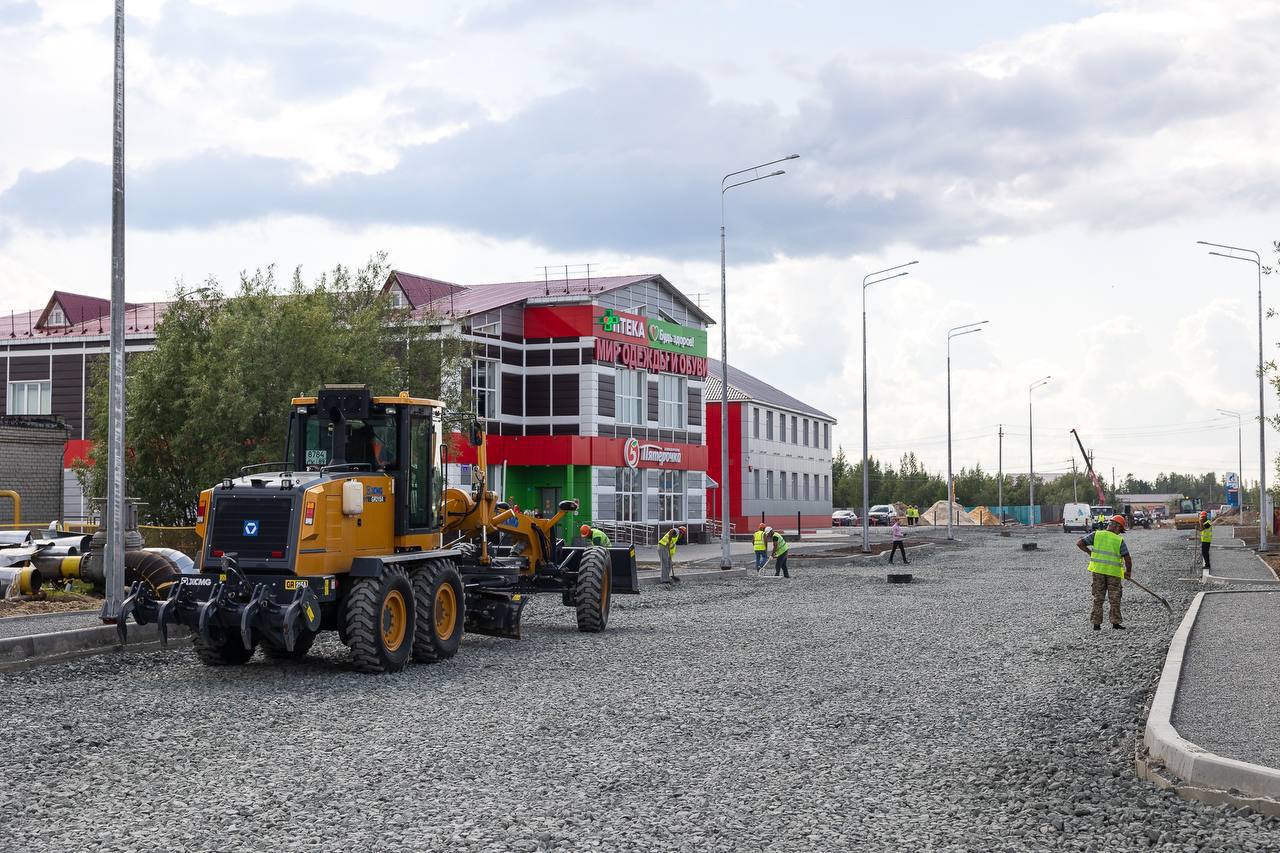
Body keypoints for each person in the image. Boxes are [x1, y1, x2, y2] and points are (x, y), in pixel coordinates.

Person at [1076, 514, 1133, 631]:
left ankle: (1096, 624)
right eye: (1120, 530)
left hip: (1098, 571)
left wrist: (1089, 552)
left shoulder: (1097, 535)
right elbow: (1127, 557)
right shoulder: (1119, 540)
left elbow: (1080, 543)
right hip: (1114, 573)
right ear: (1117, 527)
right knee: (1115, 598)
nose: (1120, 532)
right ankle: (1115, 623)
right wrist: (1128, 572)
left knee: (1098, 598)